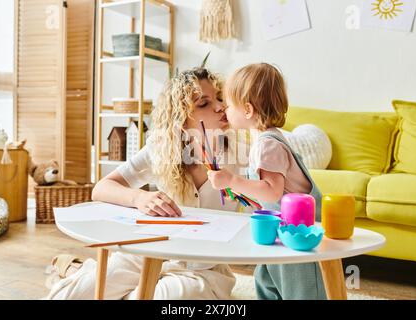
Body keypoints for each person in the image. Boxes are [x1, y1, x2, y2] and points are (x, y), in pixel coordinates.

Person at [44, 68, 244, 300]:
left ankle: (77, 269)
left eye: (220, 98)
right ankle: (82, 272)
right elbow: (101, 189)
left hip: (201, 269)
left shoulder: (243, 153)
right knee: (69, 296)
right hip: (148, 252)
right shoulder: (162, 149)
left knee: (165, 298)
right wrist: (140, 198)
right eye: (204, 103)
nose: (220, 107)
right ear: (180, 117)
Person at [207, 63, 327, 300]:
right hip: (281, 227)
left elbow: (272, 192)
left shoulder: (268, 144)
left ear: (248, 110)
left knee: (300, 289)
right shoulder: (265, 140)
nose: (225, 110)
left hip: (297, 230)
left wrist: (232, 180)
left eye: (229, 105)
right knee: (267, 279)